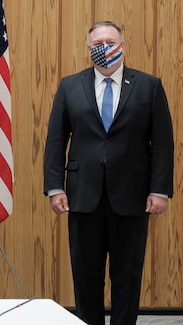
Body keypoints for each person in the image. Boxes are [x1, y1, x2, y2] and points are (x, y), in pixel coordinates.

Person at [43, 21, 173, 325]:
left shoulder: (148, 86)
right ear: (89, 48)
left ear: (123, 45)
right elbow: (56, 139)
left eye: (111, 41)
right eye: (98, 43)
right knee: (86, 275)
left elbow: (163, 142)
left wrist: (160, 189)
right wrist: (54, 186)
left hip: (133, 196)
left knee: (127, 274)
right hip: (82, 195)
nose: (105, 47)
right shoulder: (69, 85)